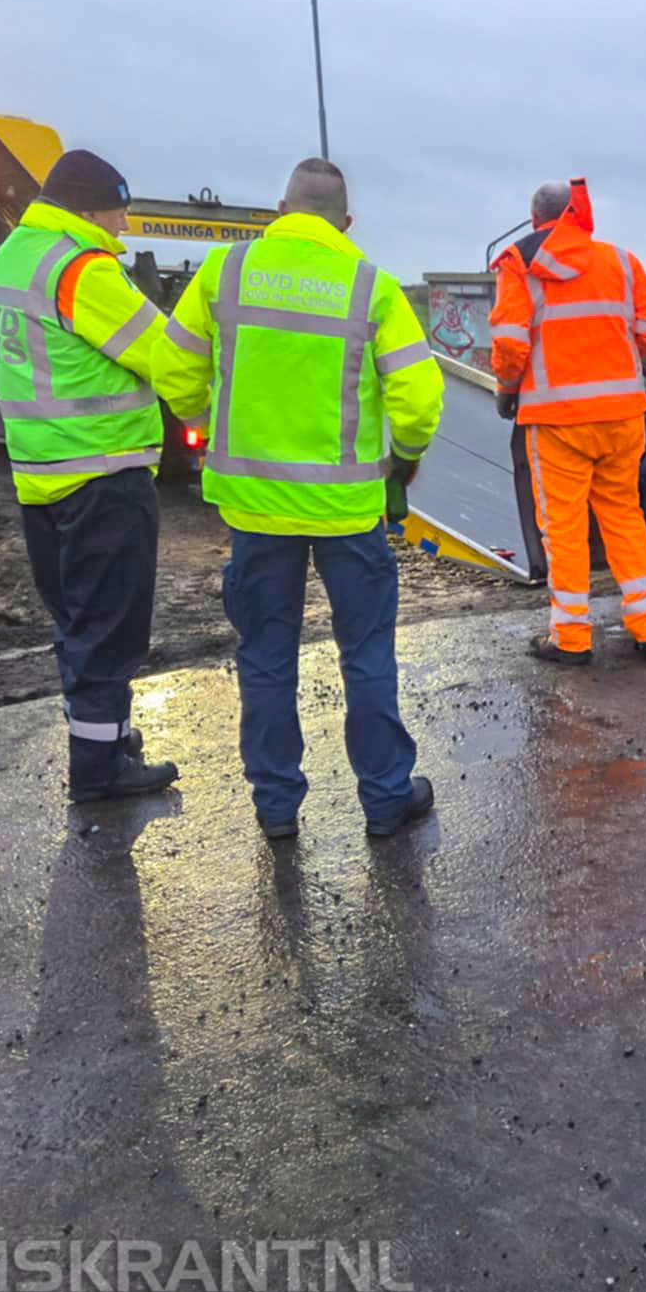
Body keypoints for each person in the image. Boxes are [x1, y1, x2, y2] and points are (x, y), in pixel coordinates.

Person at [151, 157, 444, 842]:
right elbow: (419, 397)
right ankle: (385, 800)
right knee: (366, 656)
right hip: (347, 513)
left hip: (255, 510)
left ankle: (277, 807)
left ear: (280, 210)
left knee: (265, 656)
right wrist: (403, 459)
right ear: (346, 223)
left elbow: (173, 367)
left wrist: (204, 419)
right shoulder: (371, 287)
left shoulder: (225, 272)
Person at [0, 149, 179, 801]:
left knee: (76, 622)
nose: (123, 225)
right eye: (118, 211)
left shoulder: (10, 259)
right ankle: (99, 771)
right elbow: (163, 354)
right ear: (90, 209)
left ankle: (106, 737)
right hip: (105, 474)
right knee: (109, 629)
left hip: (41, 476)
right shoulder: (81, 269)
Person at [490, 178, 646, 664]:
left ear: (536, 220)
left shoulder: (521, 264)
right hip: (623, 415)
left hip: (556, 420)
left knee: (564, 529)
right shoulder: (621, 262)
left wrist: (507, 390)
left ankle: (571, 638)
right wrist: (618, 359)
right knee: (624, 516)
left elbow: (510, 344)